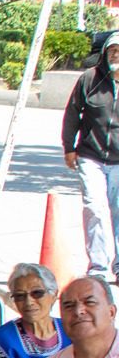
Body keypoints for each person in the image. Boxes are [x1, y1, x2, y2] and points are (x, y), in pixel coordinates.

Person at [63, 36, 119, 277]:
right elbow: (73, 112)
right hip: (91, 156)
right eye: (112, 51)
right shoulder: (90, 79)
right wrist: (68, 147)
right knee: (95, 208)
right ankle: (98, 266)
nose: (116, 55)